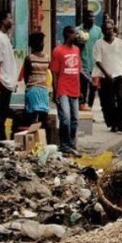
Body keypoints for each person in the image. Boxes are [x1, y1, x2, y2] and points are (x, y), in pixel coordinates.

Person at [93, 21, 122, 132]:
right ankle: (112, 124)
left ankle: (121, 124)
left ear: (113, 30)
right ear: (103, 31)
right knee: (108, 102)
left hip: (118, 75)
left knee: (121, 99)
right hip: (106, 77)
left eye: (110, 29)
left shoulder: (119, 42)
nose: (109, 31)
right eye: (106, 29)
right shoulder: (99, 44)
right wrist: (106, 74)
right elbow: (98, 61)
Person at [50, 25, 82, 154]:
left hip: (74, 89)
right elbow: (54, 73)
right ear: (68, 35)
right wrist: (55, 90)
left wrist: (80, 89)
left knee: (75, 118)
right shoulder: (58, 51)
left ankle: (72, 143)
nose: (77, 36)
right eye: (74, 34)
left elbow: (78, 71)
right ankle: (64, 144)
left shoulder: (77, 50)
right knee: (65, 118)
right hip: (63, 88)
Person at [0, 10, 17, 141]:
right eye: (9, 17)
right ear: (2, 21)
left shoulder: (4, 37)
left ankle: (2, 138)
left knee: (4, 112)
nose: (12, 21)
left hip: (8, 81)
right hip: (3, 81)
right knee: (1, 113)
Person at [21, 32, 50, 125]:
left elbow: (26, 76)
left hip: (32, 89)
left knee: (31, 118)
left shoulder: (29, 58)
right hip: (43, 90)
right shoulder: (47, 58)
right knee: (43, 117)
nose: (43, 44)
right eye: (41, 42)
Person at [76, 10, 102, 111]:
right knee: (82, 87)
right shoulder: (78, 30)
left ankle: (89, 108)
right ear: (84, 18)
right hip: (82, 64)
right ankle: (82, 107)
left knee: (93, 88)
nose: (92, 19)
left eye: (93, 17)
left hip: (95, 65)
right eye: (89, 17)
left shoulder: (98, 31)